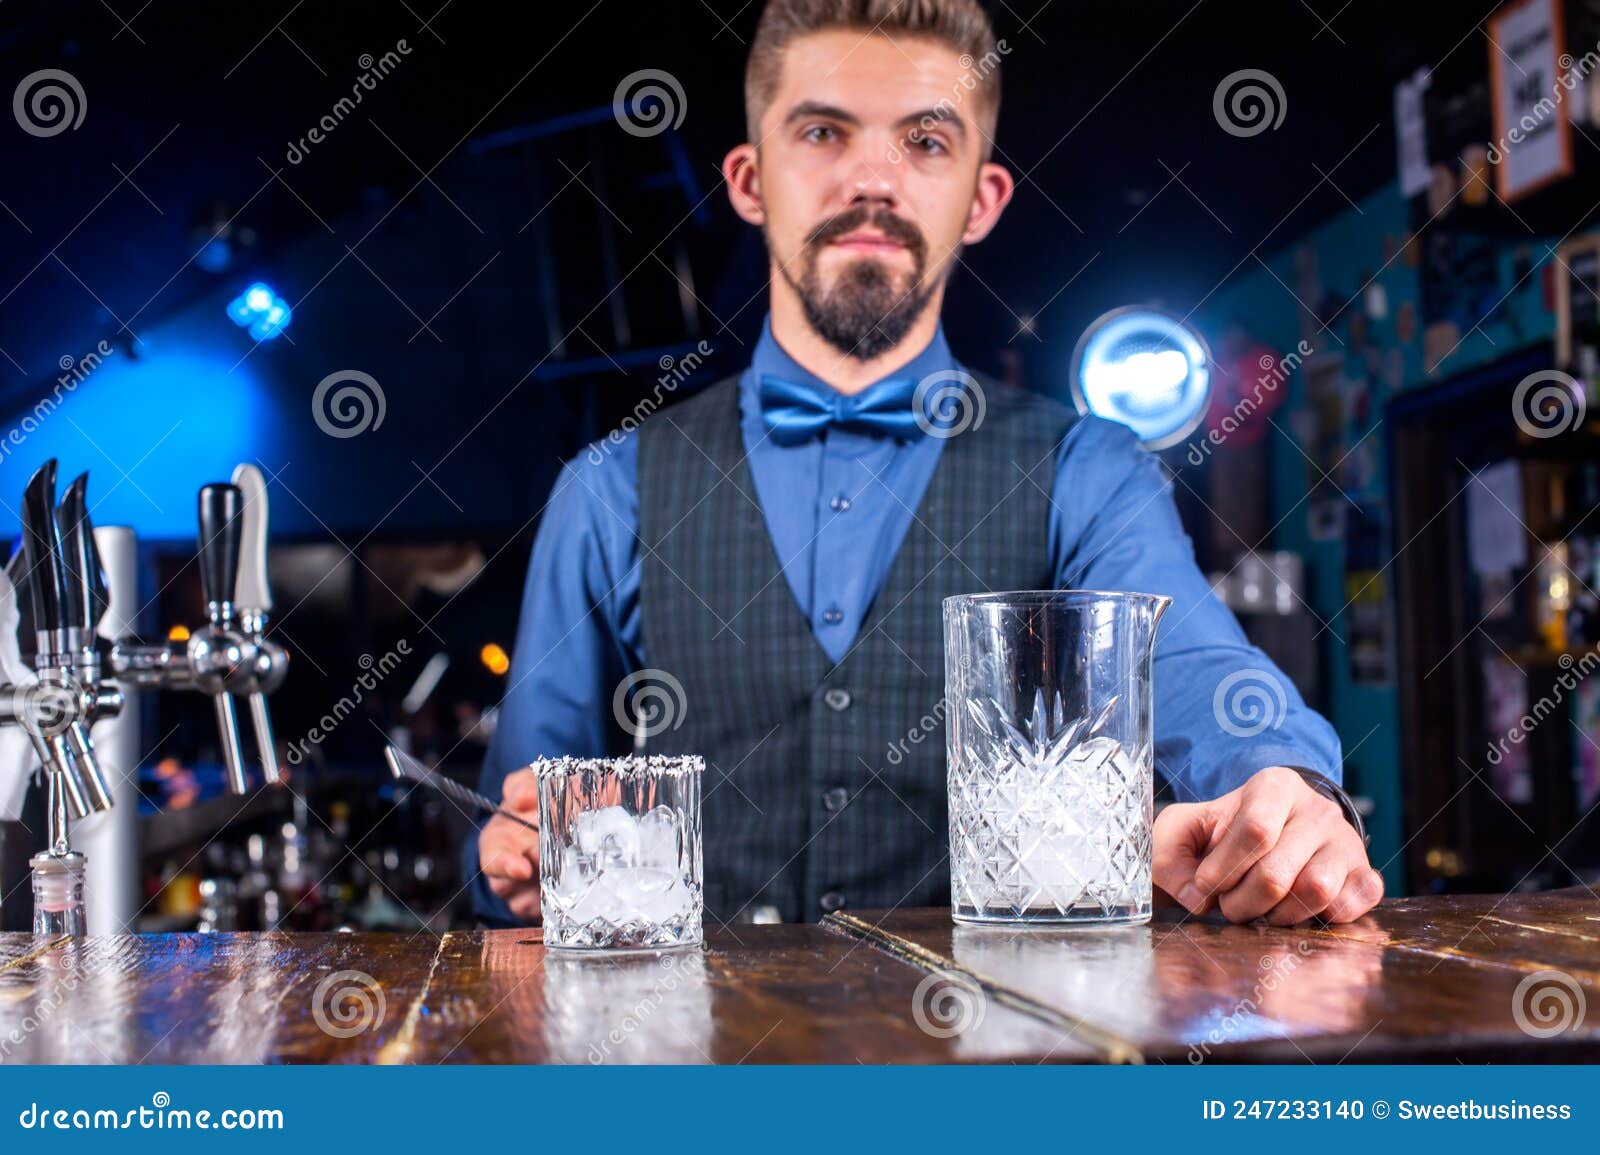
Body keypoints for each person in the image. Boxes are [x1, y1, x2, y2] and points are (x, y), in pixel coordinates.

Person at [469, 0, 1382, 930]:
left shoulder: (1087, 470)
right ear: (749, 181)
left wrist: (1284, 782)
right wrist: (507, 856)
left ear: (982, 199)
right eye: (824, 131)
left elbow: (1192, 663)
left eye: (927, 142)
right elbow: (513, 828)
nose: (874, 178)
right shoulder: (605, 488)